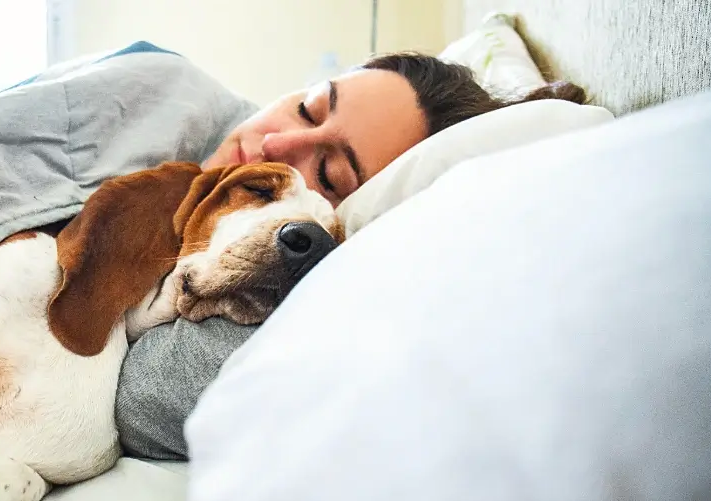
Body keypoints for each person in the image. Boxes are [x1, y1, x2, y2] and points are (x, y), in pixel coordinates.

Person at [116, 52, 585, 460]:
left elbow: (144, 395)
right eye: (307, 108)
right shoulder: (157, 94)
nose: (275, 146)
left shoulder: (328, 256)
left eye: (328, 174)